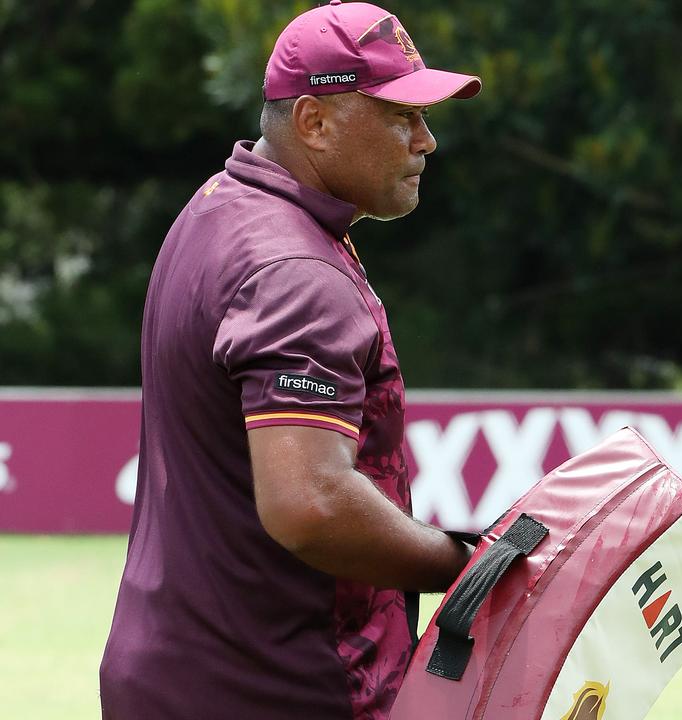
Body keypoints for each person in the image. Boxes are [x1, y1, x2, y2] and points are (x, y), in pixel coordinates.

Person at [99, 2, 481, 717]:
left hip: (175, 672)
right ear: (313, 121)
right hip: (274, 687)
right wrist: (470, 566)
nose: (426, 141)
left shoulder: (221, 203)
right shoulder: (296, 270)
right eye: (401, 116)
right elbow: (311, 506)